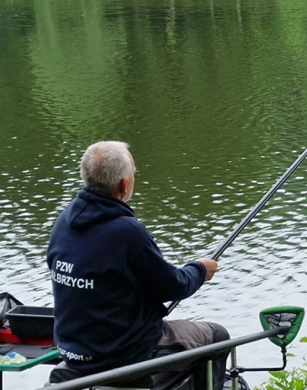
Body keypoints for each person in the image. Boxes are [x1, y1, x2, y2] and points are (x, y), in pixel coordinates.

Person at [47, 141, 229, 390]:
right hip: (121, 352)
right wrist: (199, 270)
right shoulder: (127, 232)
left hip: (75, 351)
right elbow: (172, 286)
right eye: (133, 173)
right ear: (124, 184)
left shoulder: (63, 223)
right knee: (217, 336)